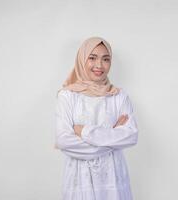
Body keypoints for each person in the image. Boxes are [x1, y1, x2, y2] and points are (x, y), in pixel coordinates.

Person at [55, 36, 139, 200]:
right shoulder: (67, 96)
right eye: (92, 58)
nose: (99, 65)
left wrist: (84, 131)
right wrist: (113, 136)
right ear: (81, 59)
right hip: (79, 180)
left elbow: (131, 135)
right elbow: (63, 141)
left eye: (105, 59)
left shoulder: (119, 96)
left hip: (113, 179)